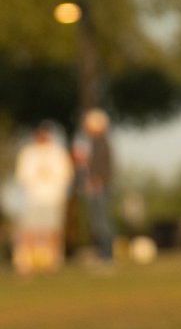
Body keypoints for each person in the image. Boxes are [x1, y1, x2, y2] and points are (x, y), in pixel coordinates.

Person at [12, 121, 74, 275]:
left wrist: (51, 176)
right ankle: (24, 263)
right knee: (29, 231)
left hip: (53, 198)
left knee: (52, 231)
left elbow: (66, 174)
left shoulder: (58, 152)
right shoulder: (28, 153)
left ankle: (52, 262)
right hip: (33, 198)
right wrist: (38, 174)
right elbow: (22, 175)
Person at [72, 108, 115, 262]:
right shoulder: (90, 142)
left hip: (100, 186)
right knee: (97, 223)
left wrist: (96, 180)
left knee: (102, 222)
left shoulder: (101, 142)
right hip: (94, 186)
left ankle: (107, 256)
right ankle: (102, 254)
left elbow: (104, 167)